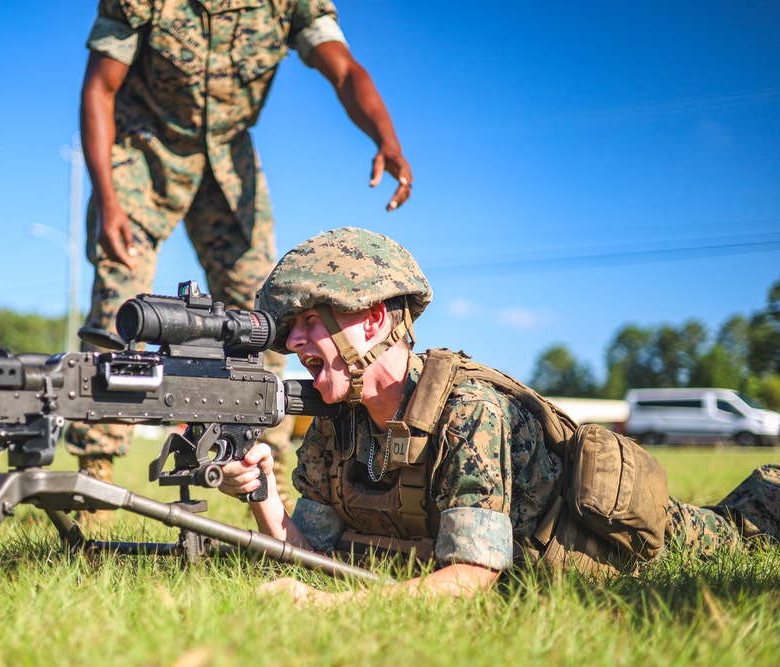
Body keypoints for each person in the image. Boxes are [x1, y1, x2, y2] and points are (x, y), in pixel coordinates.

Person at [217, 227, 780, 602]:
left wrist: (331, 610)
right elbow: (314, 558)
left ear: (373, 318)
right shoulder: (337, 418)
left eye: (310, 320)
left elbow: (472, 577)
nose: (293, 342)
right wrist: (264, 495)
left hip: (651, 548)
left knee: (750, 531)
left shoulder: (469, 411)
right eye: (291, 328)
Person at [67, 1, 413, 517]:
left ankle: (269, 467)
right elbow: (100, 87)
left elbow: (344, 69)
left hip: (229, 163)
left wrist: (386, 137)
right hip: (144, 152)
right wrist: (108, 199)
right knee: (121, 306)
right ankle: (95, 471)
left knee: (268, 315)